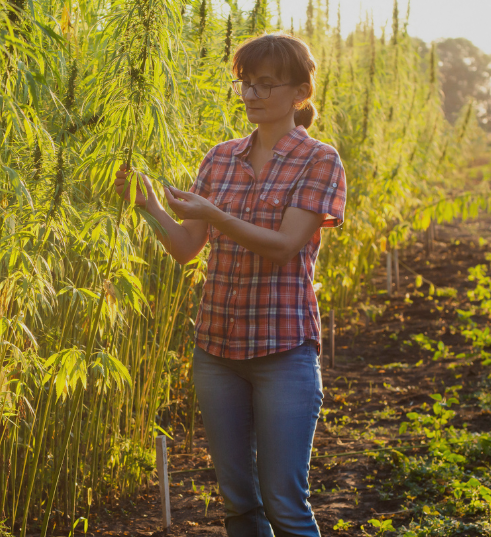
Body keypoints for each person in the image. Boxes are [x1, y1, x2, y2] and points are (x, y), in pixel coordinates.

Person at [114, 32, 347, 537]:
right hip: (217, 351)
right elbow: (184, 248)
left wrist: (215, 213)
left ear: (299, 93)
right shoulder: (220, 158)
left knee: (285, 501)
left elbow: (286, 245)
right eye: (246, 84)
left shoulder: (319, 160)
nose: (252, 95)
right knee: (238, 502)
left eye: (267, 84)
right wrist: (149, 207)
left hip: (283, 350)